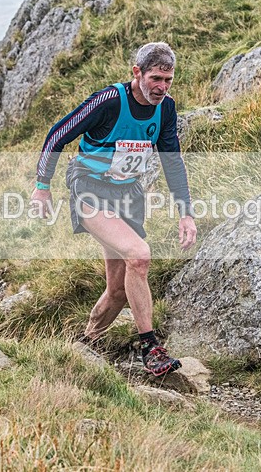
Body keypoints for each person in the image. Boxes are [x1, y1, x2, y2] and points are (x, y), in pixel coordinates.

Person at [30, 42, 197, 376]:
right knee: (139, 255)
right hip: (89, 190)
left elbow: (172, 161)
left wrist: (185, 212)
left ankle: (84, 347)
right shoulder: (109, 101)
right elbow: (56, 136)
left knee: (119, 291)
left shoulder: (165, 109)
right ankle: (151, 348)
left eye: (168, 80)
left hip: (128, 194)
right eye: (155, 78)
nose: (161, 87)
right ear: (137, 73)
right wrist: (42, 186)